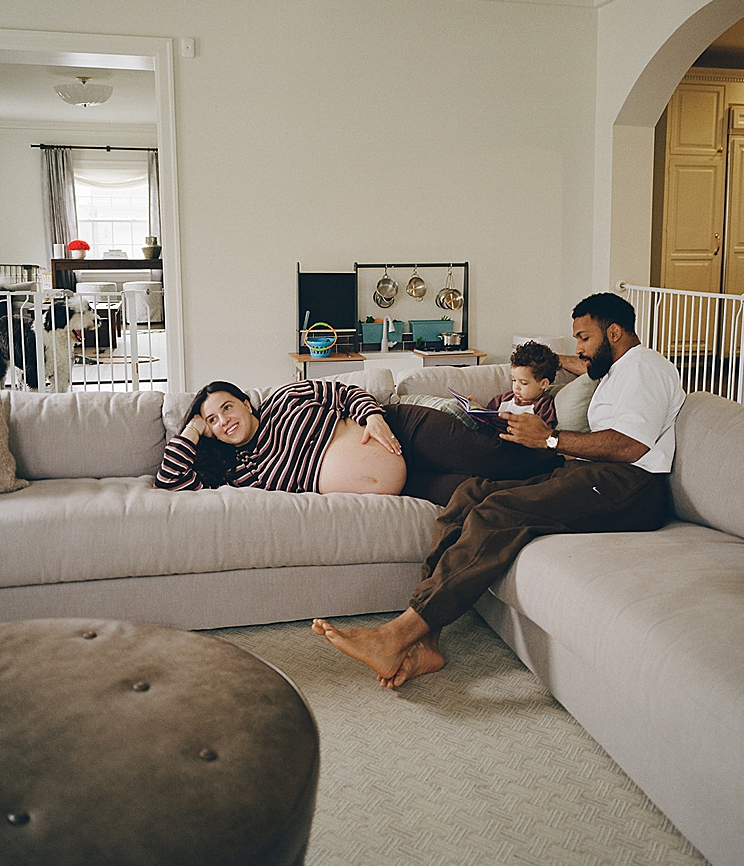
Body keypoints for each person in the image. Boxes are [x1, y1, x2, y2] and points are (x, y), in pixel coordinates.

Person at [312, 292, 685, 689]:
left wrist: (552, 441)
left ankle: (398, 634)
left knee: (497, 513)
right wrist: (552, 358)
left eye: (584, 338)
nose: (579, 349)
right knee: (471, 494)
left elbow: (632, 445)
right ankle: (427, 642)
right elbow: (583, 366)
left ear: (614, 332)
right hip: (592, 476)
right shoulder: (615, 367)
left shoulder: (645, 368)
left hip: (632, 487)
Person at [155, 376, 560, 503]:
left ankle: (572, 456)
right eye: (213, 419)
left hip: (403, 431)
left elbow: (347, 392)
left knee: (493, 456)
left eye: (227, 407)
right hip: (405, 486)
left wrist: (374, 416)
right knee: (482, 492)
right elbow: (169, 481)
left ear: (246, 402)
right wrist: (192, 428)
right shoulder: (240, 472)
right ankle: (573, 487)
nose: (223, 421)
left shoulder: (285, 397)